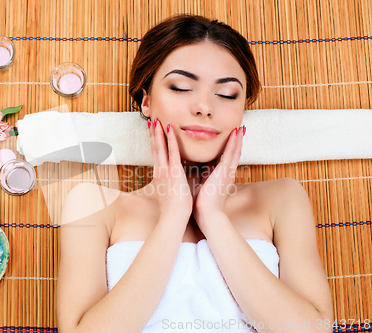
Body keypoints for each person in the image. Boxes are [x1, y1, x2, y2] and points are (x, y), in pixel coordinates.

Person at [57, 14, 333, 333]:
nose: (204, 106)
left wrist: (213, 216)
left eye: (227, 94)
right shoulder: (94, 203)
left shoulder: (282, 199)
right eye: (181, 87)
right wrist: (173, 215)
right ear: (146, 100)